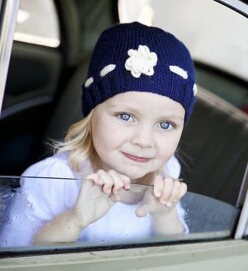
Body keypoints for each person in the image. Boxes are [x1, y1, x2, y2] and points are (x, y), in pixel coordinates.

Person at [0, 22, 196, 247]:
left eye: (165, 125)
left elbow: (175, 252)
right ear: (92, 115)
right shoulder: (55, 178)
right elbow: (13, 253)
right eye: (125, 116)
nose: (143, 141)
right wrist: (75, 219)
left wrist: (165, 214)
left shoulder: (166, 171)